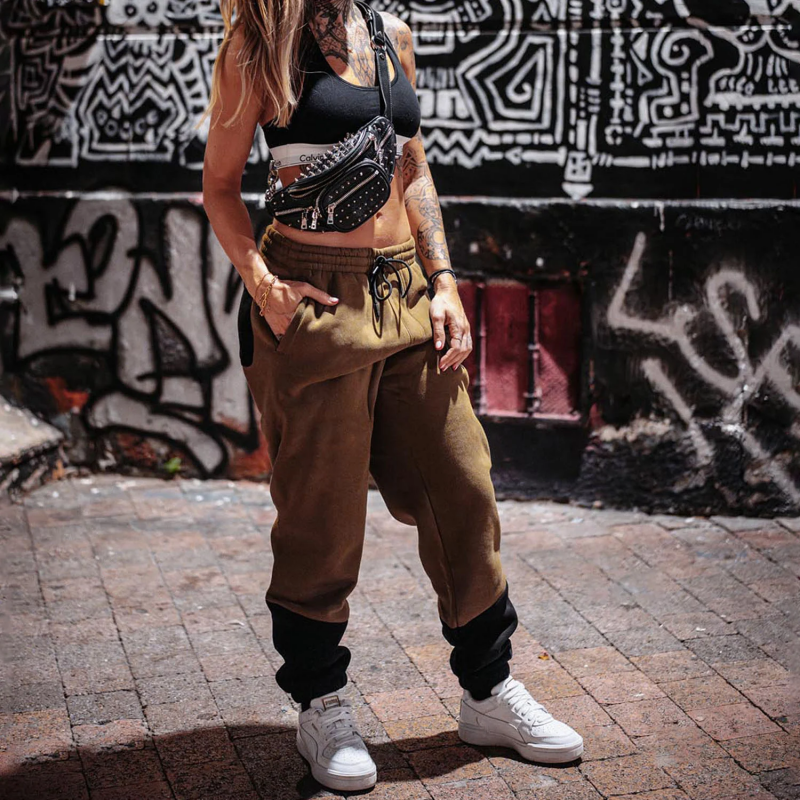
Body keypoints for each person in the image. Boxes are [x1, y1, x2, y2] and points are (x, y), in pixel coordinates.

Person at [201, 0, 584, 791]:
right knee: (321, 517)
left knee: (461, 485)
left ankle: (488, 691)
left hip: (406, 290)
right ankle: (321, 704)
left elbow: (410, 162)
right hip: (317, 302)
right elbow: (219, 187)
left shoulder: (389, 34)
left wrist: (443, 281)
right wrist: (267, 289)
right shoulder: (257, 46)